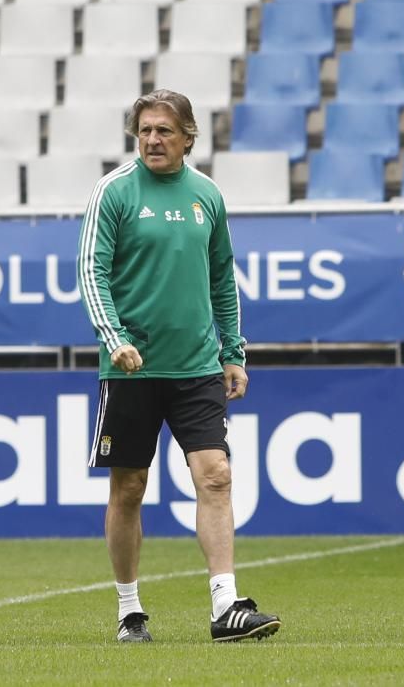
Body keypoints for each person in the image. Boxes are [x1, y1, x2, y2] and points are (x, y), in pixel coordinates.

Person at [78, 89, 281, 644]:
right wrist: (114, 337)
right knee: (130, 486)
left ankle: (226, 606)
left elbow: (222, 279)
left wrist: (233, 351)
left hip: (196, 367)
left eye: (164, 130)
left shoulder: (207, 195)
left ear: (189, 136)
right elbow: (90, 272)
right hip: (131, 368)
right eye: (144, 130)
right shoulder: (113, 191)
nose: (152, 140)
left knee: (215, 475)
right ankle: (129, 610)